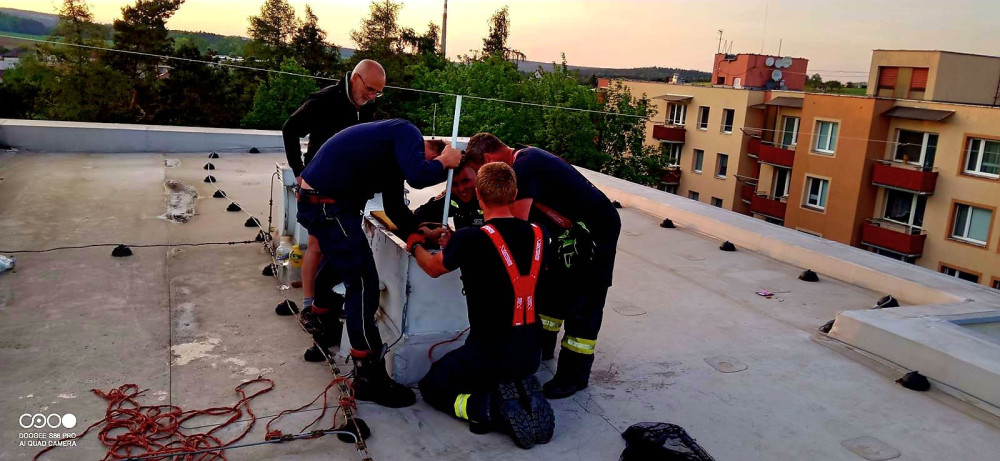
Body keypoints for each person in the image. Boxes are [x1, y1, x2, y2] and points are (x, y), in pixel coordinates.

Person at [297, 119, 461, 408]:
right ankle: (369, 376)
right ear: (429, 149)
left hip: (323, 202)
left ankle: (323, 327)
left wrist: (419, 232)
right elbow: (419, 175)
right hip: (328, 205)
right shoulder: (407, 132)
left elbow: (395, 208)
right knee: (363, 284)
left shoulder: (391, 154)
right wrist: (446, 161)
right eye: (430, 160)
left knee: (338, 263)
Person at [464, 133, 621, 400]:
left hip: (595, 231)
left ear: (488, 159)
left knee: (585, 299)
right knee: (552, 287)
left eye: (481, 172)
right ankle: (542, 348)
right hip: (568, 232)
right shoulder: (525, 157)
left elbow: (515, 225)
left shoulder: (525, 166)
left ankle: (574, 375)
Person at [411, 162, 554, 448]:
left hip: (488, 354)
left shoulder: (471, 238)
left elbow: (433, 267)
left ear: (478, 195)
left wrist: (415, 243)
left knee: (431, 387)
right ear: (514, 193)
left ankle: (487, 409)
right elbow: (505, 253)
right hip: (531, 352)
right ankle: (517, 388)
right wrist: (458, 245)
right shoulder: (540, 233)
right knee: (504, 366)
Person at [282, 59, 385, 358]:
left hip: (349, 191)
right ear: (355, 78)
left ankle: (323, 302)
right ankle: (309, 306)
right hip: (321, 187)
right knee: (317, 244)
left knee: (335, 249)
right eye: (369, 89)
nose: (372, 96)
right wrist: (299, 172)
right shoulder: (324, 101)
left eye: (378, 93)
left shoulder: (367, 106)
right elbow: (290, 129)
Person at [414, 163, 484, 229]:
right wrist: (441, 230)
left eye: (465, 181)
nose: (461, 189)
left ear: (477, 176)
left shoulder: (488, 196)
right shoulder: (451, 197)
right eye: (454, 184)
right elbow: (420, 214)